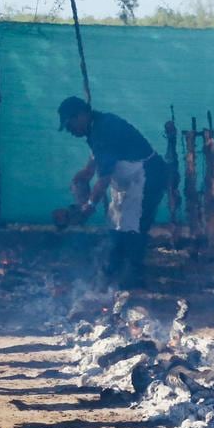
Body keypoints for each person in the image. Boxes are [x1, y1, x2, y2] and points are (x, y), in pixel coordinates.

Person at [58, 96, 168, 289]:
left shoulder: (104, 129)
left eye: (70, 125)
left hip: (147, 177)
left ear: (81, 116)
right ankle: (112, 273)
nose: (70, 131)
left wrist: (89, 207)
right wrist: (84, 174)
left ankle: (131, 279)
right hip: (129, 181)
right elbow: (96, 160)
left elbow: (103, 179)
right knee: (117, 225)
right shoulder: (96, 128)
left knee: (132, 228)